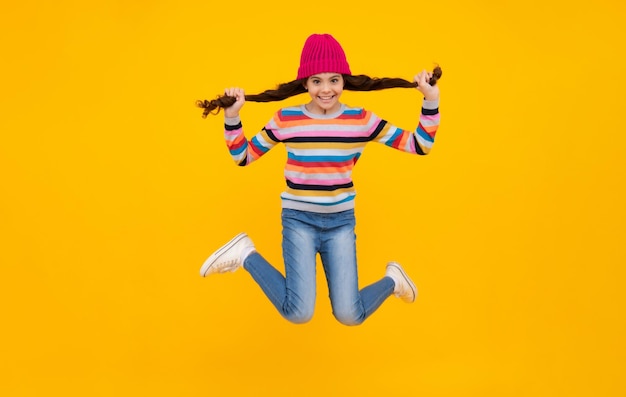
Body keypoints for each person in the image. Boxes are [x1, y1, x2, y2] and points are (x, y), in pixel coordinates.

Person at [197, 33, 441, 326]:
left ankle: (392, 280)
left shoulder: (362, 120)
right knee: (299, 312)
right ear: (305, 84)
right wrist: (232, 117)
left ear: (344, 81)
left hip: (340, 223)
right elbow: (244, 156)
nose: (326, 89)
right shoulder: (286, 119)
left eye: (334, 80)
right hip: (299, 220)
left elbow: (419, 145)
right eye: (316, 81)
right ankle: (245, 254)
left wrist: (431, 100)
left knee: (350, 315)